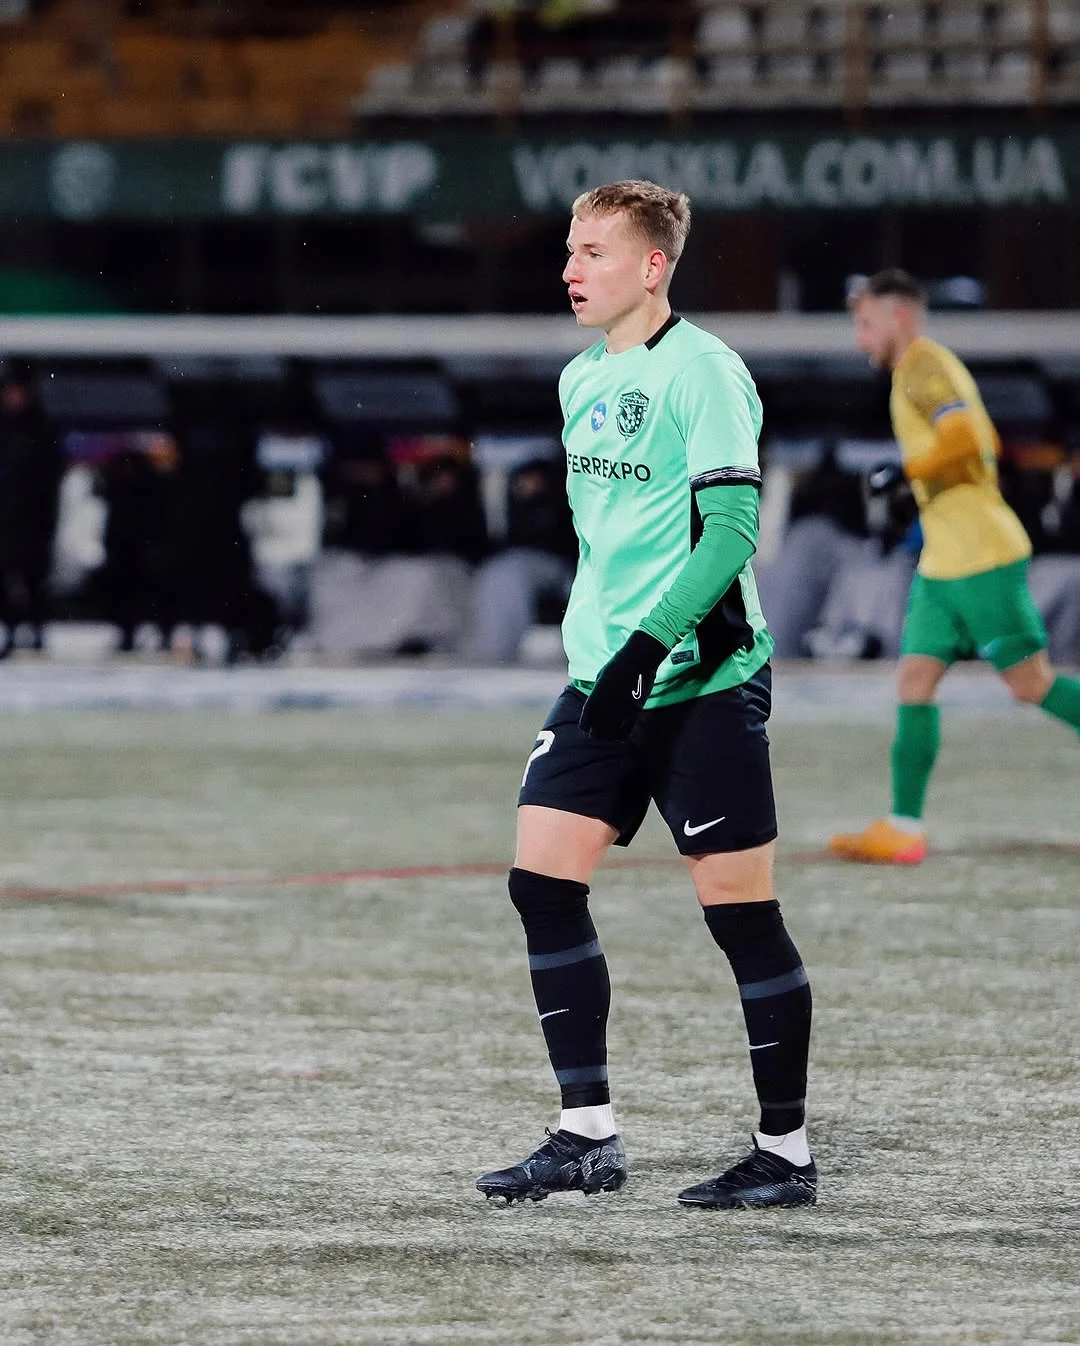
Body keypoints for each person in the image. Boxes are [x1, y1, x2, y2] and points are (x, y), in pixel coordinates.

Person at [475, 180, 816, 1211]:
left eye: (594, 252)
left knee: (740, 915)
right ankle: (586, 1134)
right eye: (570, 250)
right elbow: (611, 539)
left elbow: (730, 534)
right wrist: (606, 656)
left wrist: (648, 647)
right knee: (541, 883)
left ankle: (786, 1152)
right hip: (602, 679)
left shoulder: (705, 370)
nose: (570, 270)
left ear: (653, 264)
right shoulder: (581, 377)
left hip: (702, 680)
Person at [830, 270, 1080, 864]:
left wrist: (905, 473)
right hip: (944, 561)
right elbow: (975, 437)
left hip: (979, 556)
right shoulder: (919, 369)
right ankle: (903, 828)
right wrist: (916, 489)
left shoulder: (922, 363)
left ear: (899, 316)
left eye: (866, 324)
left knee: (1031, 684)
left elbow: (967, 439)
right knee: (914, 682)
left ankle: (904, 825)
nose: (861, 339)